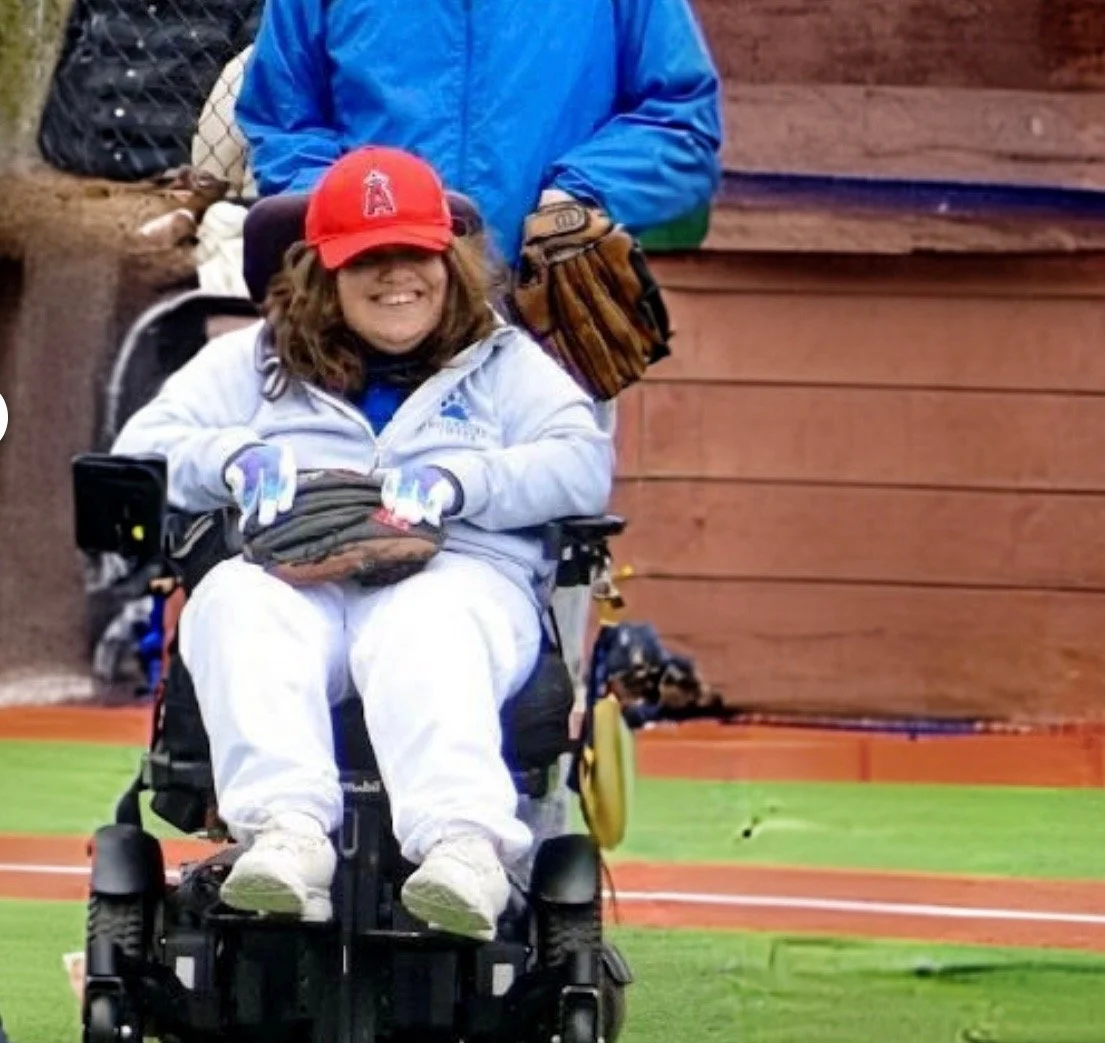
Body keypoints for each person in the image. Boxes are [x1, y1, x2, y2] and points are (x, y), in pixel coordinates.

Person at [109, 145, 615, 941]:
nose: (395, 277)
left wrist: (461, 482)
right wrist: (233, 460)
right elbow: (143, 446)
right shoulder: (256, 361)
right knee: (233, 600)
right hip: (293, 576)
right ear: (323, 271)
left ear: (449, 259)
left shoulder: (505, 363)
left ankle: (462, 850)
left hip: (458, 579)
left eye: (413, 253)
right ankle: (285, 836)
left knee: (426, 622)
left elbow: (580, 464)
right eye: (365, 260)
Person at [233, 0, 723, 267]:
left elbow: (680, 120)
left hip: (540, 317)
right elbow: (283, 122)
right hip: (373, 300)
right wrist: (357, 218)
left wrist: (577, 197)